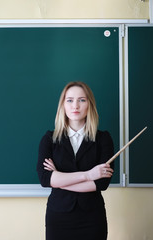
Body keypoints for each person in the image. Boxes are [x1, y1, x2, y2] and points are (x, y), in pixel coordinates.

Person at [36, 81, 114, 240]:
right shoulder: (49, 139)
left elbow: (101, 184)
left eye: (82, 100)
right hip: (58, 218)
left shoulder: (103, 139)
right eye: (70, 100)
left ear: (89, 105)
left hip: (92, 218)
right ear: (63, 105)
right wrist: (88, 175)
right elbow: (45, 179)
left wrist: (59, 178)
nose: (75, 105)